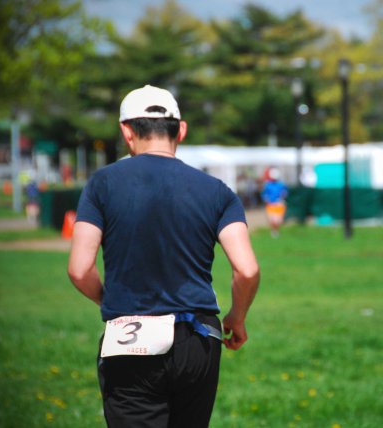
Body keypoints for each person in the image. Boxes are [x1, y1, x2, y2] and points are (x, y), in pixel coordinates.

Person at [67, 85, 260, 428]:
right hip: (198, 338)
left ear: (127, 132)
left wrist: (110, 300)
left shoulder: (102, 184)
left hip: (129, 338)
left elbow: (80, 269)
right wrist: (237, 316)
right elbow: (246, 270)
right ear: (181, 130)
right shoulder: (217, 191)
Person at [261, 167, 288, 237]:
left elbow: (285, 193)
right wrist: (266, 199)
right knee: (272, 220)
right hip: (271, 204)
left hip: (279, 204)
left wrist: (282, 197)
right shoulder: (268, 185)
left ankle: (276, 231)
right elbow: (264, 194)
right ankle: (274, 231)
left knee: (278, 220)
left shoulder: (281, 185)